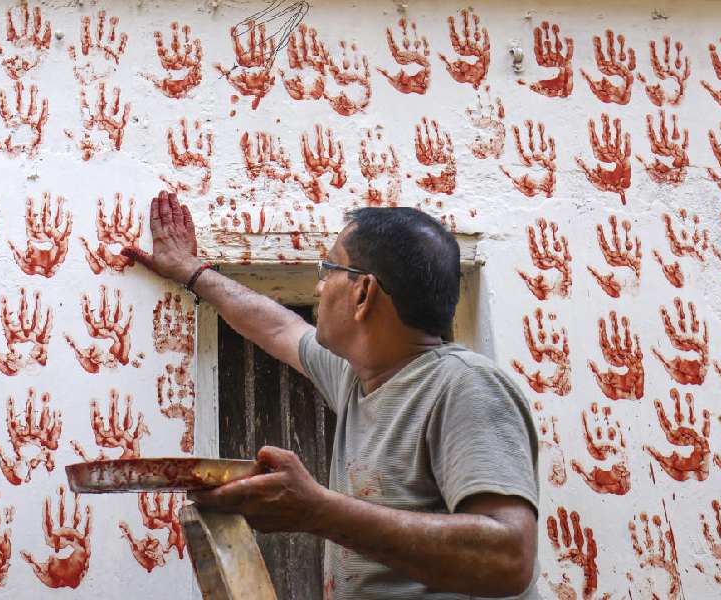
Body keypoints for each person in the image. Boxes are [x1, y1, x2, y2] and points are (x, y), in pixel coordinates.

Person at [123, 191, 540, 599]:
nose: (320, 288)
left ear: (363, 293)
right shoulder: (358, 375)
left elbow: (510, 558)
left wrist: (318, 510)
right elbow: (278, 328)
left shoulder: (465, 385)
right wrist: (192, 272)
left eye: (329, 269)